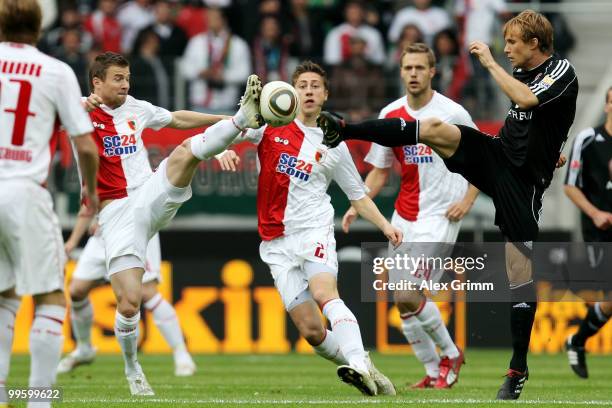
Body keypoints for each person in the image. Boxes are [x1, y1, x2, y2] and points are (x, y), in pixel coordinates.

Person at [316, 10, 578, 400]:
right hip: (498, 156)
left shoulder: (560, 71)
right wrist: (550, 148)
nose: (505, 50)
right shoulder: (521, 73)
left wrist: (488, 61)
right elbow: (537, 126)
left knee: (519, 271)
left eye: (512, 43)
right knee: (436, 130)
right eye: (503, 45)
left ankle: (517, 368)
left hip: (522, 185)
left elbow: (528, 102)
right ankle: (345, 128)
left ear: (535, 44)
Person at [80, 51, 263, 396]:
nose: (125, 84)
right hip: (115, 213)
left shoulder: (136, 107)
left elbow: (177, 118)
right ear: (97, 82)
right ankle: (132, 368)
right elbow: (53, 118)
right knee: (130, 302)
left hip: (148, 193)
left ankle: (241, 121)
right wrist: (80, 108)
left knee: (184, 152)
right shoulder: (79, 111)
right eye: (117, 78)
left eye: (127, 77)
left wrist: (224, 118)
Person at [219, 61, 398, 396]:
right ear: (292, 91)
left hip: (314, 230)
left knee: (324, 293)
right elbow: (227, 130)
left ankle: (358, 365)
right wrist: (221, 151)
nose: (309, 91)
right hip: (275, 242)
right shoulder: (269, 125)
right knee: (311, 331)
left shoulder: (335, 143)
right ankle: (364, 365)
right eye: (303, 85)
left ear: (326, 94)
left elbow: (357, 197)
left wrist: (386, 226)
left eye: (316, 85)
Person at [341, 43, 479, 389]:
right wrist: (358, 203)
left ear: (433, 72)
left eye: (420, 68)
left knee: (406, 293)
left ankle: (451, 354)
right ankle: (434, 373)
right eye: (408, 68)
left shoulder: (452, 113)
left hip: (440, 215)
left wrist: (469, 198)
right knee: (403, 304)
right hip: (404, 216)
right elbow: (379, 171)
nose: (414, 74)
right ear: (400, 72)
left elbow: (483, 158)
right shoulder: (390, 114)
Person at [0, 1, 99, 406]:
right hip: (25, 190)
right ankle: (39, 399)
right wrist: (90, 191)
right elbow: (85, 146)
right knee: (51, 297)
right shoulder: (56, 71)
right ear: (41, 27)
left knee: (4, 295)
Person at [56, 219, 196, 375]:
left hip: (136, 231)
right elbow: (87, 204)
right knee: (76, 290)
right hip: (104, 234)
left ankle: (181, 354)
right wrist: (92, 223)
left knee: (147, 292)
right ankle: (84, 349)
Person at [564, 86, 612, 379]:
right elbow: (570, 185)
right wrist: (595, 213)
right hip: (599, 232)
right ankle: (578, 340)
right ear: (607, 106)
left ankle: (577, 340)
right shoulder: (588, 138)